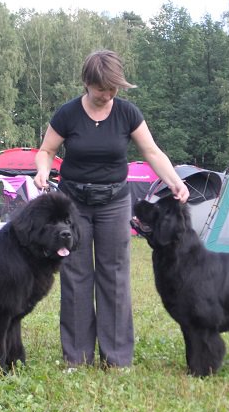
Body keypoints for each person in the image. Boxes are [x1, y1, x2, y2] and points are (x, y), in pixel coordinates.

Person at [34, 49, 190, 368]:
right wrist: (41, 169)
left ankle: (117, 359)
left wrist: (175, 180)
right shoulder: (67, 114)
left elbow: (152, 152)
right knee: (76, 276)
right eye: (101, 88)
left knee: (115, 276)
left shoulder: (127, 114)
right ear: (87, 83)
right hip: (73, 205)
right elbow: (46, 150)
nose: (107, 95)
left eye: (113, 88)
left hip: (114, 203)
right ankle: (76, 359)